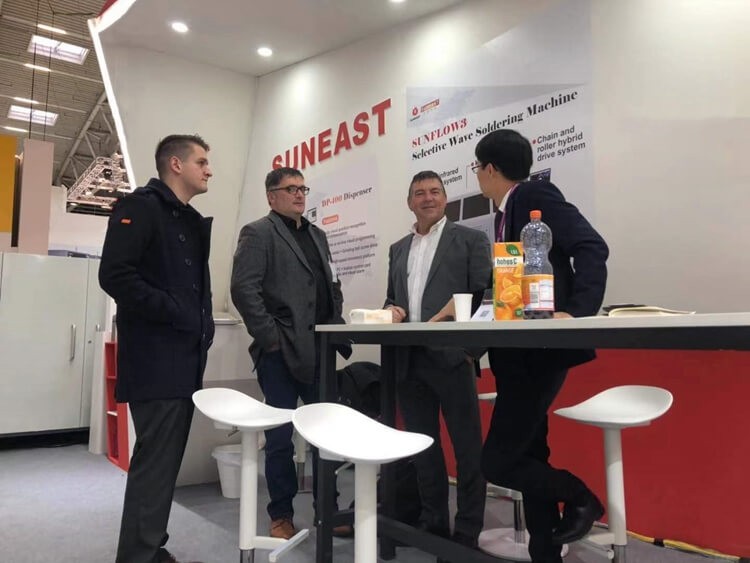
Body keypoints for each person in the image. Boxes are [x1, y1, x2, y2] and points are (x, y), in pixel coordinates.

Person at [472, 129, 609, 562]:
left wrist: (577, 313)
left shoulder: (536, 197)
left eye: (477, 168)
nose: (477, 176)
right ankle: (545, 551)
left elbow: (592, 246)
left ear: (490, 169)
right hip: (517, 350)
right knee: (531, 451)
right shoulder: (506, 212)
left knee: (497, 462)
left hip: (540, 349)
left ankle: (581, 496)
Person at [99, 134, 214, 563]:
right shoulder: (141, 207)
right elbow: (115, 275)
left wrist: (201, 324)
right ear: (176, 164)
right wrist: (177, 311)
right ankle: (137, 556)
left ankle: (148, 547)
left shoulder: (186, 218)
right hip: (155, 359)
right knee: (154, 466)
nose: (209, 170)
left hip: (183, 359)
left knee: (164, 467)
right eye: (201, 161)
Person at [230, 166, 351, 540]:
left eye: (302, 188)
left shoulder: (318, 235)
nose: (299, 194)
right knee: (280, 438)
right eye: (291, 189)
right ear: (272, 196)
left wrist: (335, 320)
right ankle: (280, 514)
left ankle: (327, 511)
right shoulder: (258, 233)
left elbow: (332, 284)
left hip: (321, 349)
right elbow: (243, 289)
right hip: (279, 352)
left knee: (325, 436)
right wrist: (271, 338)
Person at [383, 170, 491, 549]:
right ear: (409, 202)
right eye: (419, 193)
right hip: (408, 361)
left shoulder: (471, 240)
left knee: (467, 452)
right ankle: (434, 526)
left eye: (434, 191)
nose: (427, 198)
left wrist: (470, 352)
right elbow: (392, 298)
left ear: (445, 199)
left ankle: (467, 533)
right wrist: (391, 310)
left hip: (453, 359)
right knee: (424, 450)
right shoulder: (398, 248)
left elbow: (486, 296)